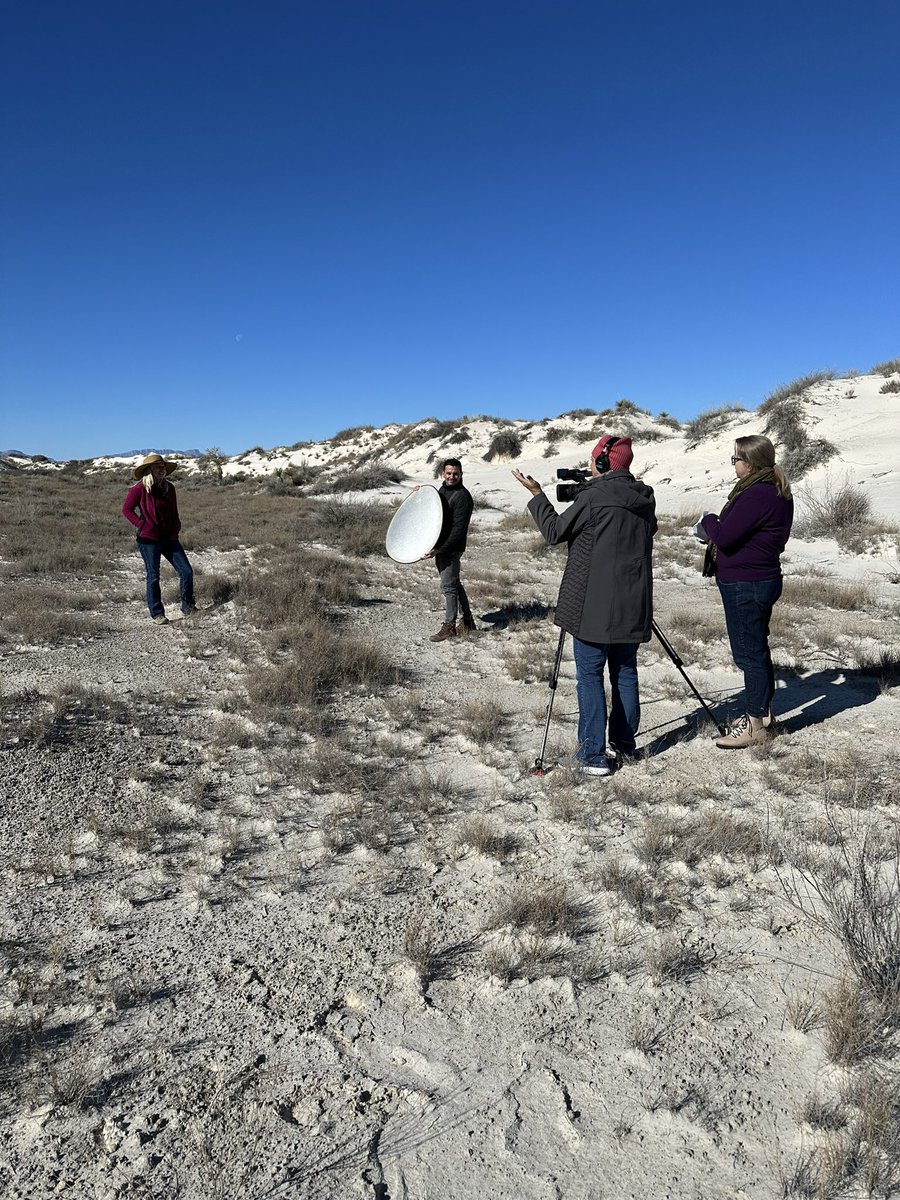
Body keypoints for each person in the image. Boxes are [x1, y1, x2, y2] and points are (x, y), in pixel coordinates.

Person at [513, 435, 656, 776]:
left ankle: (592, 755)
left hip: (593, 603)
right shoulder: (645, 498)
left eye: (594, 461)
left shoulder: (593, 497)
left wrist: (537, 496)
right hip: (633, 601)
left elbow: (553, 531)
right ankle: (625, 746)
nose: (590, 466)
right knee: (624, 671)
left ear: (604, 464)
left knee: (589, 675)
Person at [697, 434, 793, 749]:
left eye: (735, 459)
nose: (733, 464)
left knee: (748, 654)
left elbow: (724, 536)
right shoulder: (776, 491)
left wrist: (708, 520)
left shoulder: (757, 495)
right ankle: (763, 716)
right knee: (757, 648)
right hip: (761, 578)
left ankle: (753, 725)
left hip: (746, 583)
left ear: (750, 463)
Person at [122, 453, 197, 625]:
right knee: (154, 576)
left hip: (169, 538)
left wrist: (176, 525)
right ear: (149, 469)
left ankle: (188, 607)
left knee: (186, 571)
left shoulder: (169, 487)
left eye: (163, 467)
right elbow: (127, 509)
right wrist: (141, 524)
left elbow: (174, 510)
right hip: (149, 540)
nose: (161, 470)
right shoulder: (139, 489)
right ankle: (157, 613)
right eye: (158, 467)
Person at [422, 458, 476, 642]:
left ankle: (449, 626)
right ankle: (468, 621)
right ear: (443, 474)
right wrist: (419, 494)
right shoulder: (443, 490)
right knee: (455, 583)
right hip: (442, 546)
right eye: (448, 473)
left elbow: (458, 530)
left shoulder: (462, 497)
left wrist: (440, 549)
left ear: (461, 475)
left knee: (448, 587)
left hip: (451, 548)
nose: (452, 476)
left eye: (455, 473)